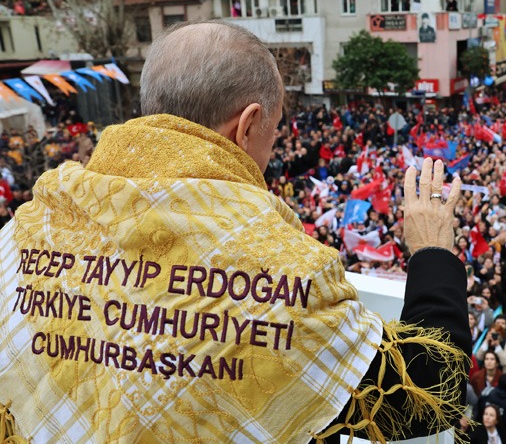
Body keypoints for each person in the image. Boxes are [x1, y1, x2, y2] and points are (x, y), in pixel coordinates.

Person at [0, 22, 472, 443]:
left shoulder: (25, 230)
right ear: (246, 127)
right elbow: (430, 391)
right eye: (275, 128)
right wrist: (432, 248)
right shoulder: (284, 275)